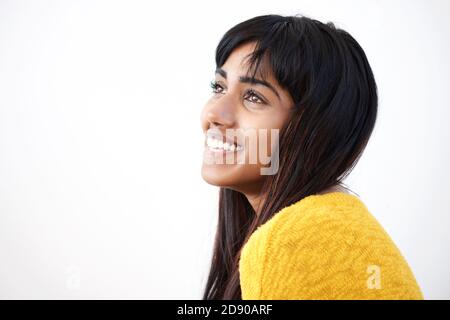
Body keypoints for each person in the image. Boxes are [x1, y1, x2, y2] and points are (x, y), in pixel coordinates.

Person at [200, 14, 423, 300]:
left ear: (314, 129)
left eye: (254, 96)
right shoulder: (327, 225)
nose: (214, 114)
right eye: (218, 87)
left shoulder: (297, 239)